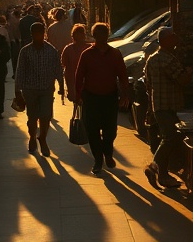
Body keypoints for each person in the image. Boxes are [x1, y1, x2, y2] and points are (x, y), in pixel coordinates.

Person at [75, 22, 129, 174]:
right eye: (99, 34)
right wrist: (77, 95)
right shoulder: (87, 54)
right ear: (94, 36)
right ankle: (98, 160)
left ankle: (108, 153)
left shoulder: (115, 54)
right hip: (90, 98)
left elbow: (123, 75)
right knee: (92, 130)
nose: (102, 37)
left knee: (110, 131)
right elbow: (79, 76)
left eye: (105, 34)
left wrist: (125, 94)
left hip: (110, 97)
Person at [143, 26, 192, 188]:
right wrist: (189, 73)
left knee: (168, 137)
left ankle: (163, 175)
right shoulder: (167, 59)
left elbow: (148, 85)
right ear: (164, 40)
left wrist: (150, 108)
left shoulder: (151, 59)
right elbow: (183, 80)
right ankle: (154, 167)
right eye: (172, 37)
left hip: (158, 105)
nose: (175, 39)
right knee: (170, 138)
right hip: (170, 106)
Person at [15, 22, 64, 157]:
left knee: (46, 116)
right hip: (29, 89)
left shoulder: (51, 50)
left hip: (46, 89)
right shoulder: (25, 51)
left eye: (41, 33)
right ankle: (32, 137)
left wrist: (61, 86)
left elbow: (58, 69)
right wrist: (17, 91)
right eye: (36, 34)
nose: (39, 36)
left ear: (44, 34)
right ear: (31, 35)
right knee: (32, 117)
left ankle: (42, 139)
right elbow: (20, 71)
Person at [61, 24, 90, 102]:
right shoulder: (68, 49)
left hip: (84, 80)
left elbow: (64, 63)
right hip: (74, 79)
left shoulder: (89, 48)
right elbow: (64, 63)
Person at [7, 8, 21, 78]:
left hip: (17, 40)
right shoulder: (13, 21)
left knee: (16, 58)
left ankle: (16, 72)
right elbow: (11, 31)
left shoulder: (16, 20)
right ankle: (16, 72)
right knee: (16, 57)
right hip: (16, 41)